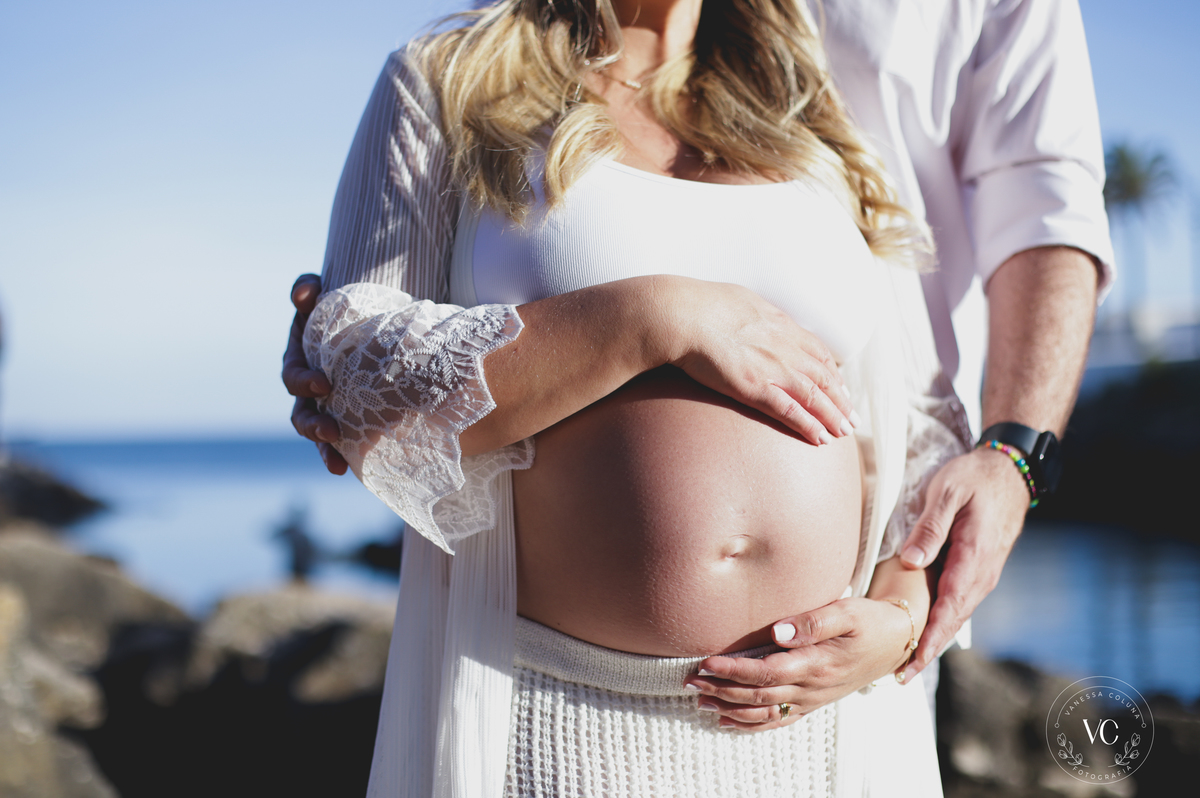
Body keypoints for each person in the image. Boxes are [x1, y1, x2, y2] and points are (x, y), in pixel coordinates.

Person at [283, 0, 1112, 794]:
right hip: (563, 725)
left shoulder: (813, 117)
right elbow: (353, 378)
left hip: (826, 724)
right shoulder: (449, 80)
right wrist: (651, 318)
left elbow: (908, 412)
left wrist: (897, 618)